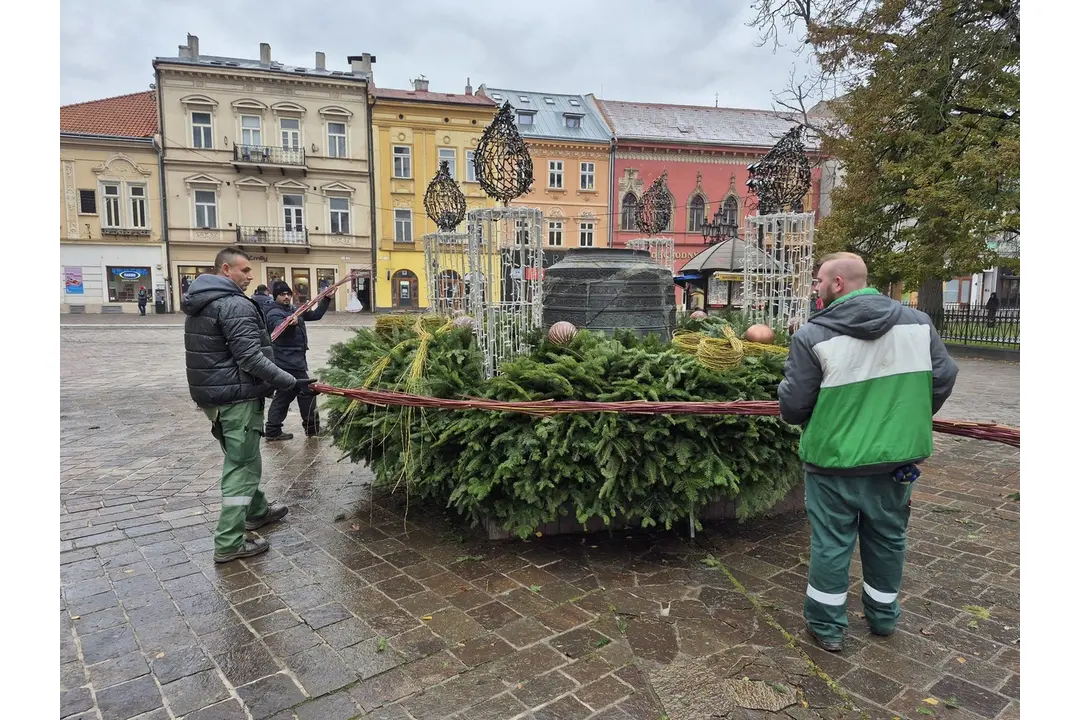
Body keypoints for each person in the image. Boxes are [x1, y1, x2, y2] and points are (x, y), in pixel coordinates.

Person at [778, 252, 958, 652]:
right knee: (889, 538)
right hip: (896, 462)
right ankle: (882, 618)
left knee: (831, 543)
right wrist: (904, 418)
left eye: (819, 280)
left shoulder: (813, 336)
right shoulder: (918, 324)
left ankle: (826, 628)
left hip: (833, 462)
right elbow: (944, 377)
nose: (816, 288)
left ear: (837, 283)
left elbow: (793, 407)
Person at [182, 247, 315, 563]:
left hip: (215, 397)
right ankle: (229, 542)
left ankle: (257, 511)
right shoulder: (233, 304)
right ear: (226, 270)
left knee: (244, 458)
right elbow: (250, 357)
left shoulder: (201, 301)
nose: (251, 275)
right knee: (242, 467)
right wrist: (289, 382)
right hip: (236, 397)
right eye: (244, 270)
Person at [263, 280, 330, 440]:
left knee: (285, 393)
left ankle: (273, 430)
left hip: (296, 358)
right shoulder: (273, 312)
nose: (286, 297)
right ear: (275, 296)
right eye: (282, 294)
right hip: (286, 360)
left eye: (288, 294)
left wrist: (326, 299)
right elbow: (280, 330)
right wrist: (290, 325)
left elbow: (315, 315)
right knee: (307, 391)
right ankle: (312, 429)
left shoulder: (294, 310)